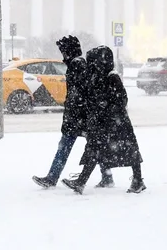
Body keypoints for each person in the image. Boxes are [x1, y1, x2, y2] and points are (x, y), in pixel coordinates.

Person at [62, 45, 146, 195]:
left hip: (116, 123)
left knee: (128, 151)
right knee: (94, 150)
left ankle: (138, 180)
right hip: (102, 123)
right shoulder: (97, 77)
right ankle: (81, 181)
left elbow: (122, 100)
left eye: (94, 62)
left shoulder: (112, 77)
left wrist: (106, 106)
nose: (92, 66)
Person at [32, 36, 113, 189]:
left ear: (69, 51)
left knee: (69, 146)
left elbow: (80, 92)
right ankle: (107, 176)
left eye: (63, 51)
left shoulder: (77, 65)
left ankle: (52, 177)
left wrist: (74, 110)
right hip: (80, 116)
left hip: (78, 117)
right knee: (95, 147)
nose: (62, 54)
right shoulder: (77, 64)